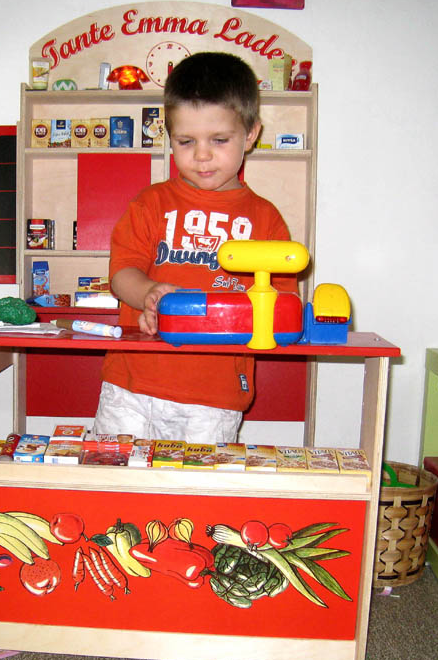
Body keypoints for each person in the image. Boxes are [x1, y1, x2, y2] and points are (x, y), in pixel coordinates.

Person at [92, 51, 299, 443]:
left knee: (199, 483)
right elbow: (121, 274)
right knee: (113, 475)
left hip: (214, 395)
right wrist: (149, 294)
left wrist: (226, 317)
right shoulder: (150, 203)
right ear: (169, 136)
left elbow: (282, 308)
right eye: (186, 141)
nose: (202, 155)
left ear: (250, 134)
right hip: (131, 385)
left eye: (219, 140)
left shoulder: (266, 219)